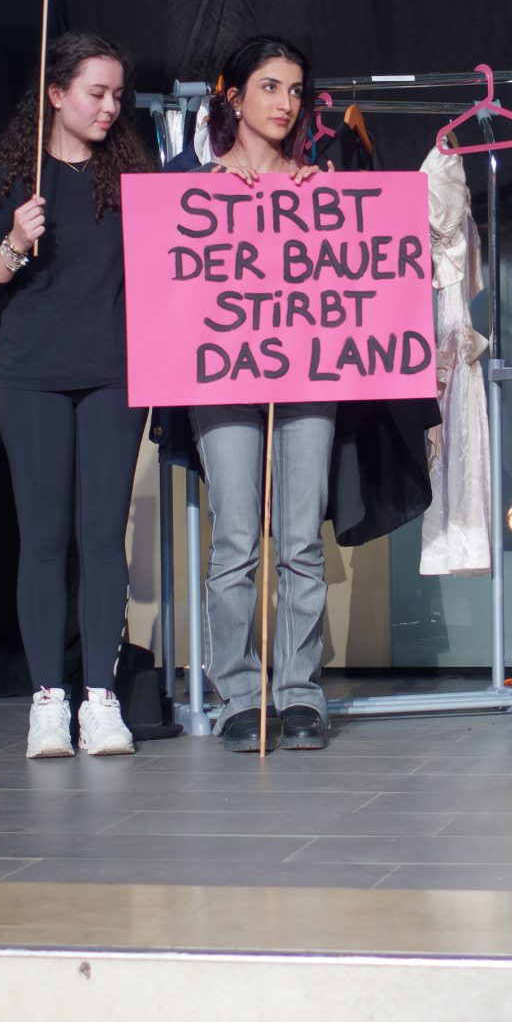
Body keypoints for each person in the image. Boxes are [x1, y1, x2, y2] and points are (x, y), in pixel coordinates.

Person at [0, 32, 154, 758]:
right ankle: (49, 698)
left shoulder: (132, 175)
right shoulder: (15, 176)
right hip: (31, 380)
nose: (109, 107)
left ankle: (100, 699)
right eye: (95, 93)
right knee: (43, 538)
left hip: (113, 377)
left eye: (116, 95)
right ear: (56, 93)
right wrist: (14, 242)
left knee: (102, 537)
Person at [193, 37, 337, 752]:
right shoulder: (194, 186)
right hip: (222, 376)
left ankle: (300, 692)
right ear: (235, 97)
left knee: (302, 540)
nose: (285, 103)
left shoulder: (320, 185)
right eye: (270, 86)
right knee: (236, 540)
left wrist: (321, 201)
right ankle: (239, 695)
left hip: (307, 373)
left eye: (295, 90)